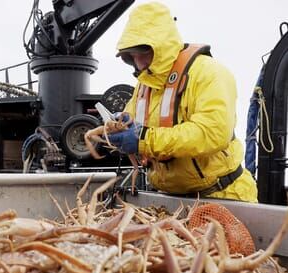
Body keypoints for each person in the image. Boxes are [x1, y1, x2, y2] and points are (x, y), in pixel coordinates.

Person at [107, 2, 258, 203]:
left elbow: (212, 133)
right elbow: (132, 124)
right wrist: (118, 126)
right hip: (171, 202)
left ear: (163, 46)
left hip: (222, 197)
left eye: (144, 53)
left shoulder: (209, 73)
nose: (139, 63)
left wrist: (143, 138)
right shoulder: (144, 85)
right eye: (131, 57)